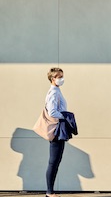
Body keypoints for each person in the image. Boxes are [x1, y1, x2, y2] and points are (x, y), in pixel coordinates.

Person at [45, 68, 68, 197]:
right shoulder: (54, 92)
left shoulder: (56, 90)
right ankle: (49, 192)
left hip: (59, 128)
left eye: (62, 76)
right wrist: (66, 116)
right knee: (53, 161)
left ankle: (50, 191)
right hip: (57, 129)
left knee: (55, 161)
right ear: (52, 78)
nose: (61, 79)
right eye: (59, 76)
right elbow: (52, 112)